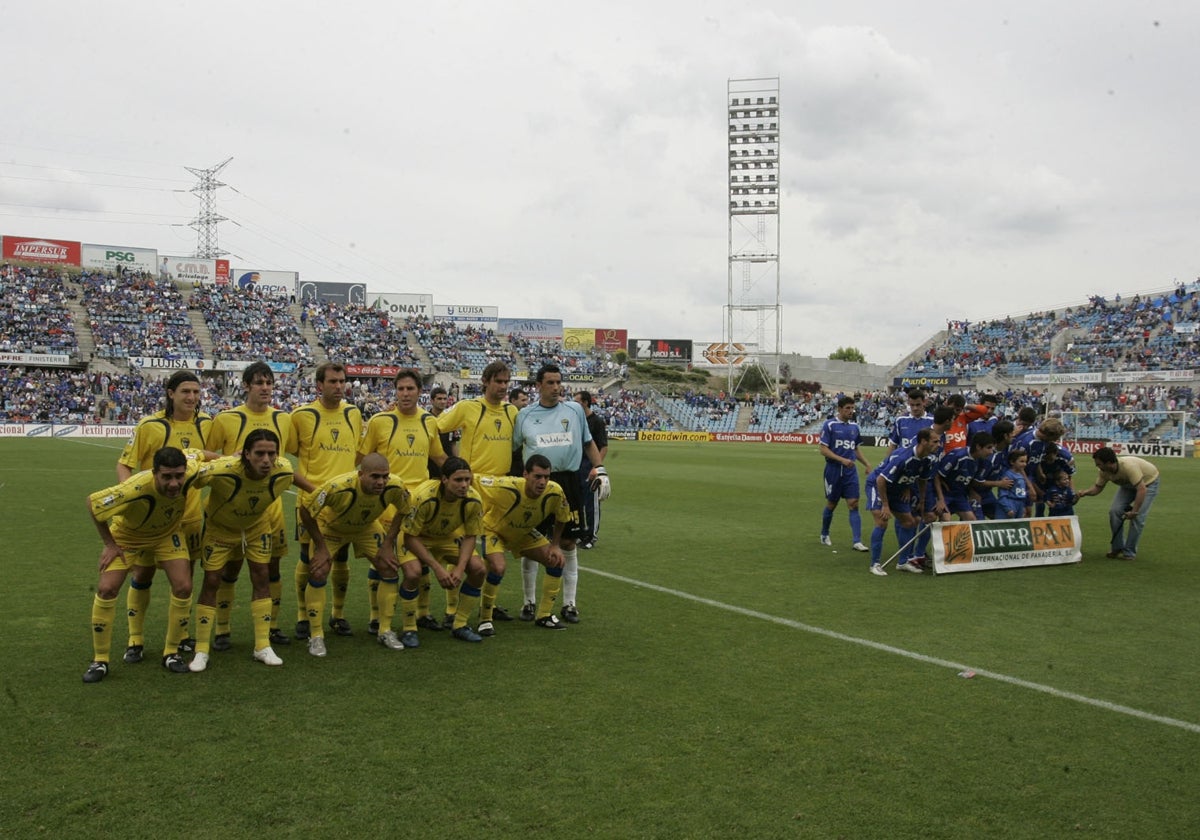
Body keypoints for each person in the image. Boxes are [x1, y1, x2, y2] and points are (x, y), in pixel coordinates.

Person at [83, 447, 205, 683]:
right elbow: (93, 504)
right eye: (166, 477)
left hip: (166, 535)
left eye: (178, 476)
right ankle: (100, 660)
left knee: (183, 586)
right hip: (128, 537)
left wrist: (233, 456)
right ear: (154, 473)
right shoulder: (134, 488)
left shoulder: (190, 470)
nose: (174, 483)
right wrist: (109, 544)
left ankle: (171, 653)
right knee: (107, 589)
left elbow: (199, 454)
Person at [115, 370, 212, 664]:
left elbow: (208, 457)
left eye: (196, 392)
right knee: (142, 574)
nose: (192, 398)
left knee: (184, 579)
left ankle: (180, 637)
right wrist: (130, 500)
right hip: (153, 520)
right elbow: (125, 464)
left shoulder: (207, 423)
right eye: (185, 391)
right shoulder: (150, 425)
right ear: (171, 393)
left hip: (190, 516)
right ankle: (135, 639)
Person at [204, 361, 300, 652]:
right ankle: (222, 629)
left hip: (269, 508)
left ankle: (271, 627)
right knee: (229, 570)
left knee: (271, 570)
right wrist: (230, 458)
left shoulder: (284, 419)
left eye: (269, 383)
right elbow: (207, 454)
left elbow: (289, 456)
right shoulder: (226, 419)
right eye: (259, 383)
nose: (266, 388)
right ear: (245, 386)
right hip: (233, 508)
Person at [188, 430, 296, 672]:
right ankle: (202, 649)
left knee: (262, 576)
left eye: (271, 453)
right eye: (259, 453)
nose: (266, 460)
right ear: (246, 454)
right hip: (220, 530)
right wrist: (192, 455)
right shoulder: (222, 468)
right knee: (212, 580)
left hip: (257, 528)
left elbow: (294, 477)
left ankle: (262, 645)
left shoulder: (283, 468)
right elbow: (191, 476)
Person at [512, 363, 609, 623]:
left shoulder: (575, 410)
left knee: (567, 543)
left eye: (559, 382)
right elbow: (514, 450)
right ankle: (529, 602)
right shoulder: (525, 415)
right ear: (538, 386)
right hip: (535, 484)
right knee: (531, 542)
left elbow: (589, 443)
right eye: (550, 383)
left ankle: (569, 604)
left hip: (569, 482)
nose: (556, 388)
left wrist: (600, 469)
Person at [357, 368, 447, 639]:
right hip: (388, 501)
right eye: (401, 389)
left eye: (410, 389)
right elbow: (362, 458)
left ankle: (423, 612)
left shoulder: (429, 422)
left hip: (420, 502)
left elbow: (439, 457)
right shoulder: (379, 421)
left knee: (422, 556)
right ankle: (376, 618)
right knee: (383, 559)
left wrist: (459, 476)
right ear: (395, 391)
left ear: (420, 392)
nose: (405, 394)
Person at [296, 454, 410, 656]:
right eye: (375, 477)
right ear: (360, 475)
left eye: (385, 476)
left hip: (366, 527)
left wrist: (388, 543)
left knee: (389, 567)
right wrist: (321, 547)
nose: (381, 482)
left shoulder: (396, 486)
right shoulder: (338, 487)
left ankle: (385, 630)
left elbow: (403, 510)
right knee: (318, 570)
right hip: (332, 528)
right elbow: (306, 510)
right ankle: (316, 636)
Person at [436, 362, 521, 622]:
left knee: (494, 554)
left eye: (507, 382)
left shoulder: (512, 411)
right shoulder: (467, 407)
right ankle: (451, 609)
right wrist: (445, 464)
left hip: (501, 490)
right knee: (462, 546)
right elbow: (435, 427)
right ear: (485, 381)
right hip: (471, 489)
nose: (503, 387)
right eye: (498, 381)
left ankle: (488, 607)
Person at [289, 362, 364, 642]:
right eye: (332, 381)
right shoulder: (302, 415)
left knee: (341, 557)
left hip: (344, 503)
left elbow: (357, 451)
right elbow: (291, 452)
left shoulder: (353, 413)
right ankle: (302, 616)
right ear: (319, 385)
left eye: (342, 381)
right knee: (309, 559)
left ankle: (338, 614)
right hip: (311, 501)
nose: (338, 386)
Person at [377, 457, 487, 643]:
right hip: (417, 538)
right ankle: (410, 628)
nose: (464, 485)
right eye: (458, 480)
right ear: (444, 480)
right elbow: (410, 537)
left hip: (447, 537)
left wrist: (460, 568)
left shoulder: (473, 500)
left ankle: (459, 624)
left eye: (467, 480)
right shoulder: (423, 496)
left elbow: (470, 536)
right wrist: (437, 568)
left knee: (479, 569)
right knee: (413, 573)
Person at [475, 454, 573, 634]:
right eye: (537, 476)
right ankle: (485, 618)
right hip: (495, 531)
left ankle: (544, 616)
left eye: (546, 477)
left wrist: (555, 545)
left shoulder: (555, 492)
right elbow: (472, 480)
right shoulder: (505, 487)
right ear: (525, 474)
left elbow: (562, 517)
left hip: (522, 533)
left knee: (556, 560)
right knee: (498, 567)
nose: (542, 482)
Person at [864, 429, 940, 576]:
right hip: (878, 485)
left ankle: (903, 562)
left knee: (909, 522)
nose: (939, 444)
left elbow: (922, 479)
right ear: (924, 442)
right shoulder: (903, 457)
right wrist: (885, 505)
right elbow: (881, 480)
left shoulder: (928, 459)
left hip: (897, 489)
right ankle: (875, 564)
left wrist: (922, 500)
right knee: (882, 521)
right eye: (935, 441)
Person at [1075, 447, 1161, 560]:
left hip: (1148, 483)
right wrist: (1084, 493)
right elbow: (1097, 488)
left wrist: (1134, 511)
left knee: (1137, 518)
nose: (1098, 467)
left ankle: (1129, 552)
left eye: (1099, 464)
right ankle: (1117, 547)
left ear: (1110, 463)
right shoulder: (1104, 472)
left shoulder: (1128, 467)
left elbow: (1141, 489)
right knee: (1114, 511)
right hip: (1128, 485)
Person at [818, 395, 871, 551]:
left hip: (850, 471)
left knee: (854, 504)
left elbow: (855, 449)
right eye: (847, 408)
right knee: (832, 504)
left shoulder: (854, 427)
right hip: (833, 470)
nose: (850, 411)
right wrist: (841, 459)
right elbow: (823, 449)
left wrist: (867, 463)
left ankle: (857, 541)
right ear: (839, 409)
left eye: (852, 408)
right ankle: (824, 533)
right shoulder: (830, 425)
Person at [933, 431, 995, 521]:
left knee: (972, 520)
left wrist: (972, 492)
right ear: (978, 447)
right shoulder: (958, 456)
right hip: (945, 493)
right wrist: (941, 499)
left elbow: (969, 479)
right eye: (988, 448)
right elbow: (937, 475)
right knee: (946, 520)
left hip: (959, 495)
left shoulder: (981, 461)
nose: (991, 451)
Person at [574, 390, 608, 550]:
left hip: (589, 467)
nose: (574, 404)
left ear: (585, 402)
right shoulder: (576, 420)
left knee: (591, 504)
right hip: (575, 466)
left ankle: (591, 536)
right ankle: (580, 533)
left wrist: (597, 467)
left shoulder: (597, 421)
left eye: (577, 401)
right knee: (576, 503)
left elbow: (603, 447)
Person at [426, 385, 460, 475]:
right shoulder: (425, 420)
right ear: (432, 401)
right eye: (439, 399)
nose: (443, 402)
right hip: (429, 466)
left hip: (448, 465)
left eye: (445, 399)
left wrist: (458, 462)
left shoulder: (451, 419)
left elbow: (453, 444)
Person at [997, 449, 1032, 519]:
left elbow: (1021, 494)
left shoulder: (1021, 476)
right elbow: (1002, 494)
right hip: (1009, 506)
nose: (1024, 464)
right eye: (1021, 461)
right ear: (1012, 462)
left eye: (1025, 462)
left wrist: (1022, 507)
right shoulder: (1008, 475)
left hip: (1019, 506)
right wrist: (1008, 509)